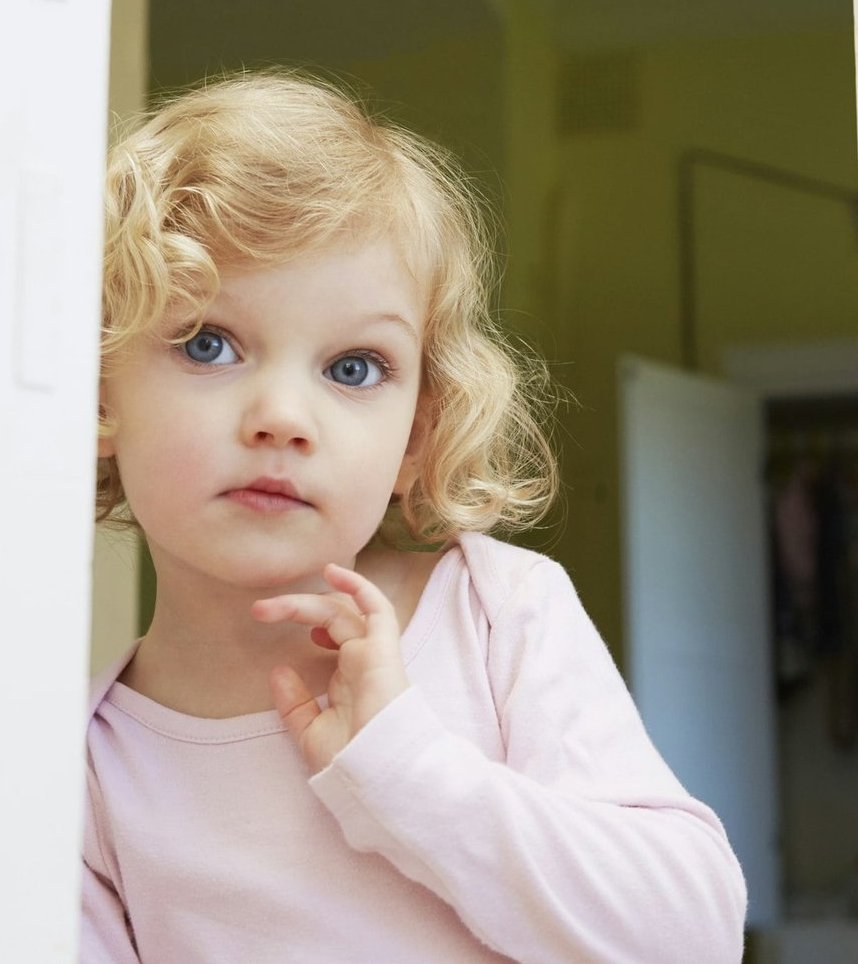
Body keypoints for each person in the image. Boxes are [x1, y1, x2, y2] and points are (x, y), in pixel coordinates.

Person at [81, 71, 747, 963]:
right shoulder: (90, 768)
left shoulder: (498, 610)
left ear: (417, 437)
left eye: (353, 368)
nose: (284, 416)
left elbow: (692, 937)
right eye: (210, 344)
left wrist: (406, 770)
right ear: (97, 391)